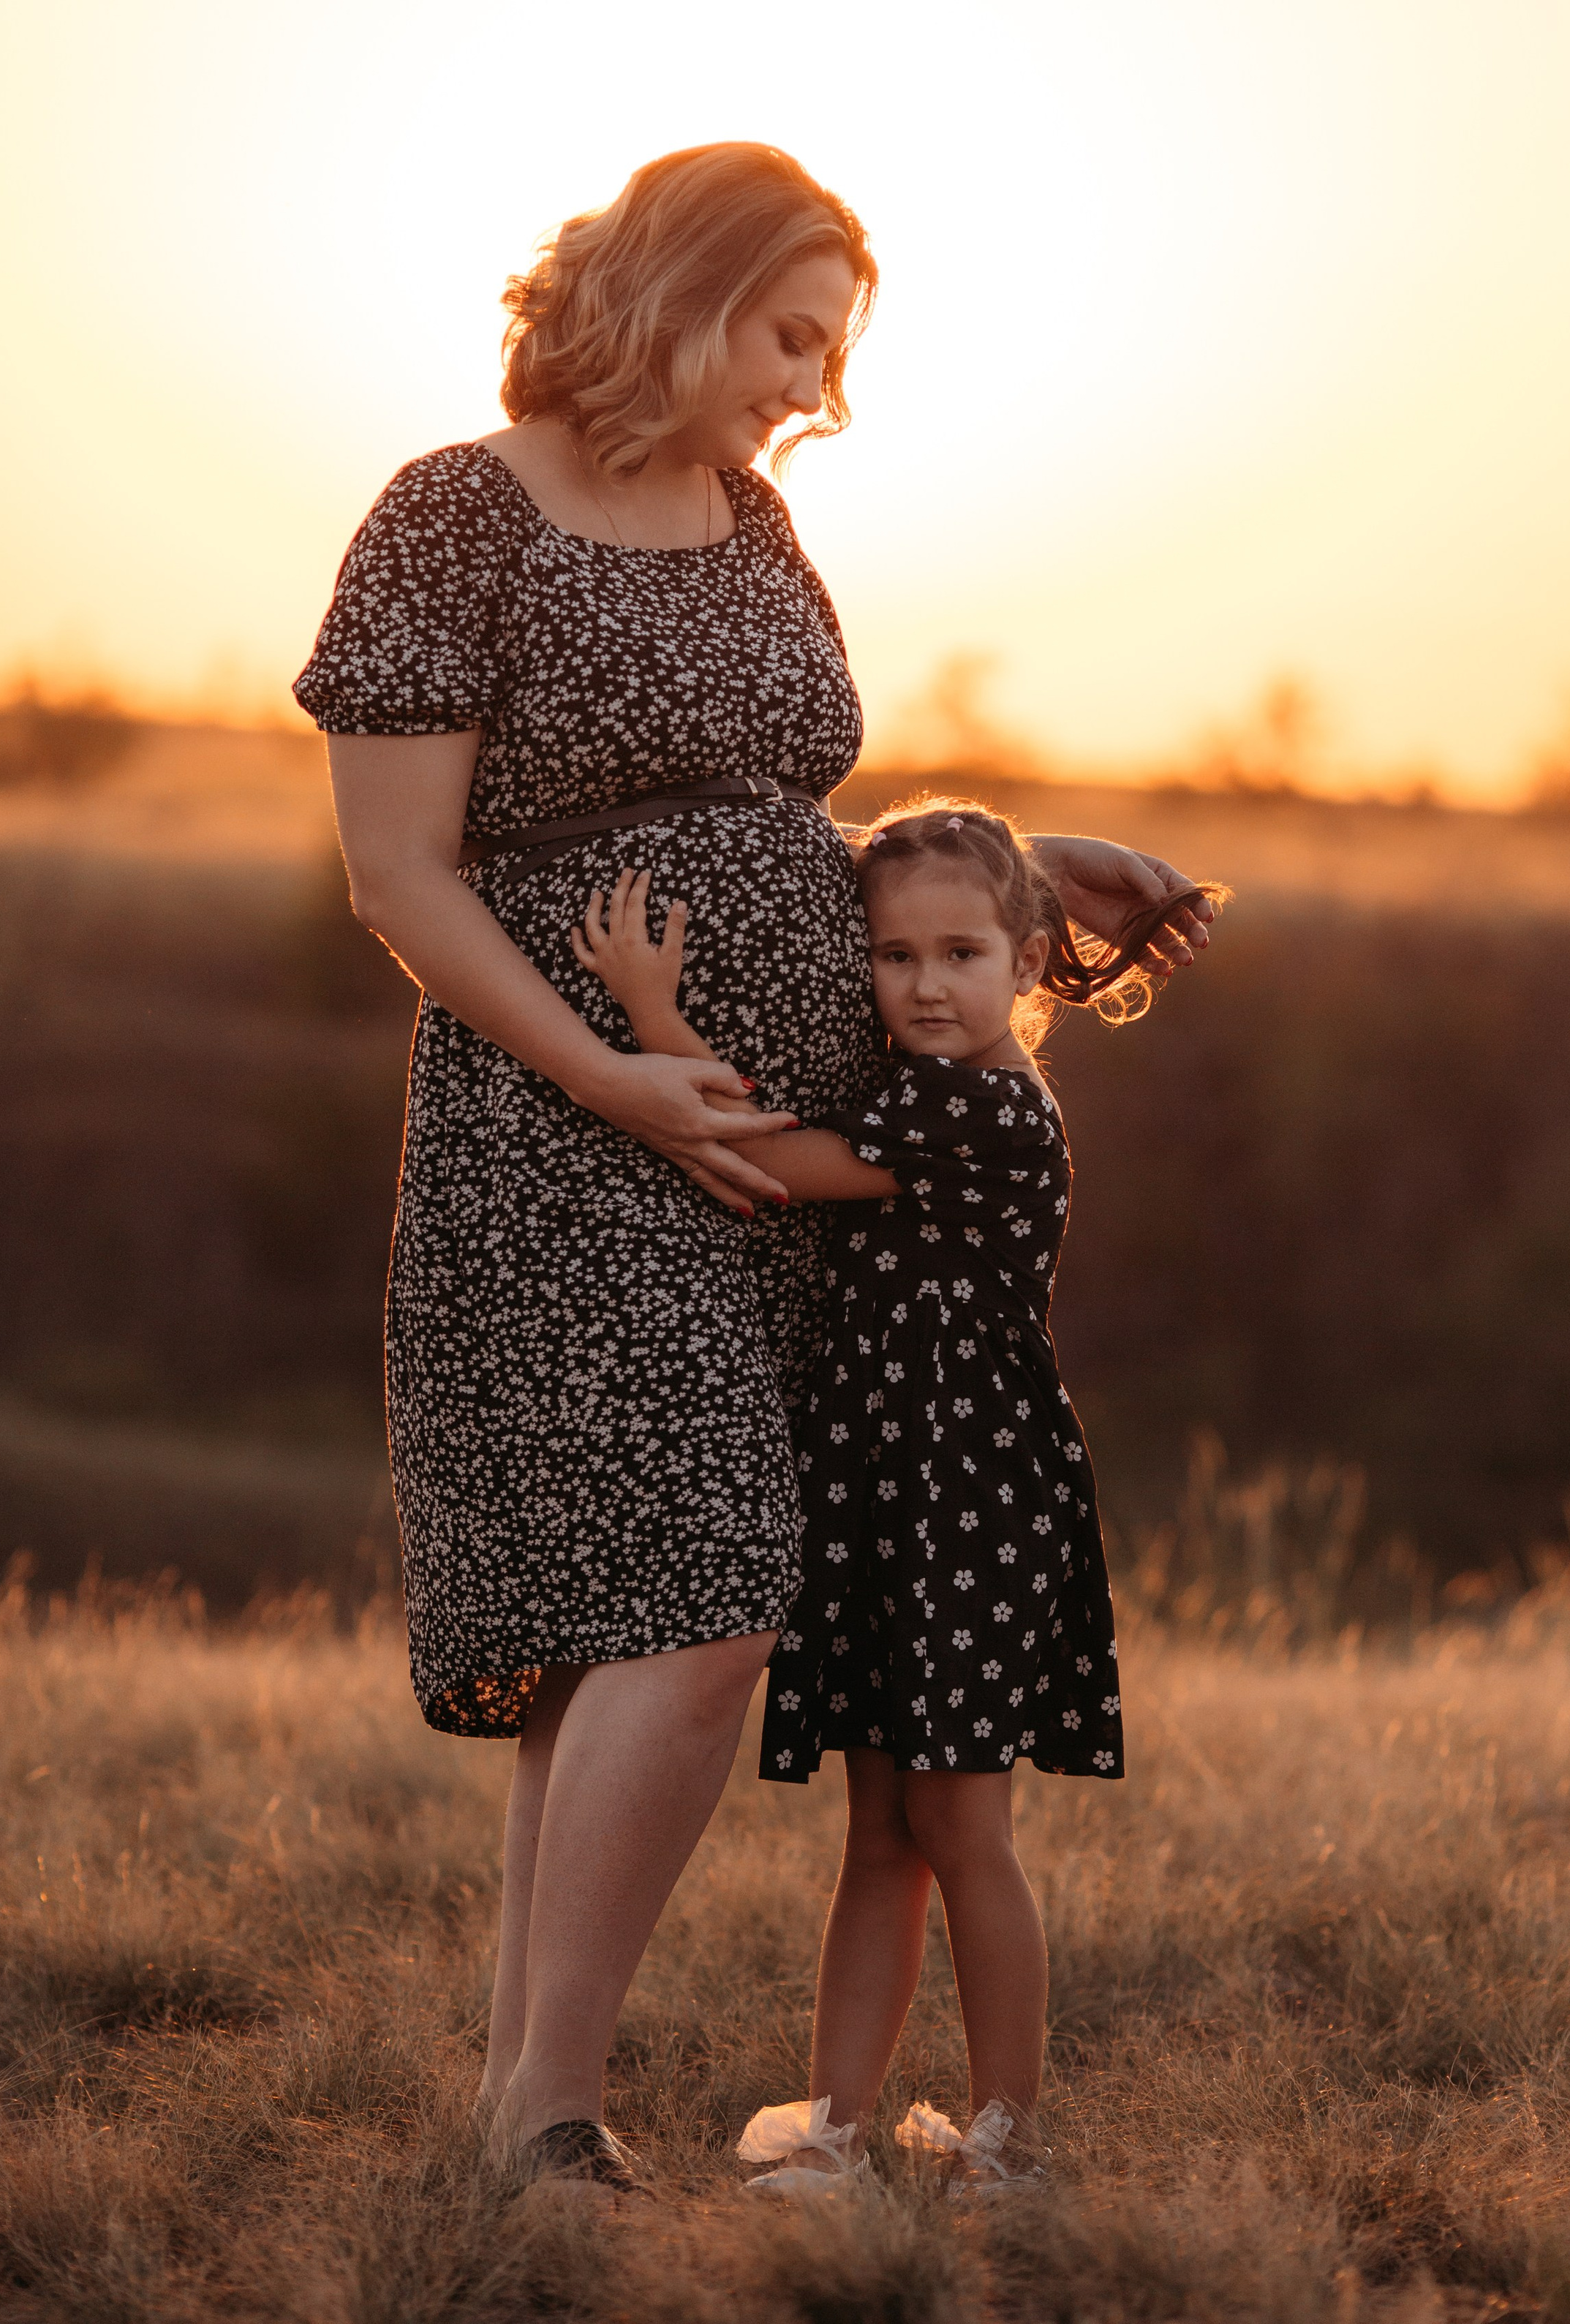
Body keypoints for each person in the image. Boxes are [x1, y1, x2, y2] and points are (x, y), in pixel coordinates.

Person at [291, 141, 1212, 2195]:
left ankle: (517, 2101)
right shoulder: (456, 515)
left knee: (640, 1607)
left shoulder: (749, 515)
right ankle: (548, 2108)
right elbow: (397, 874)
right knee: (703, 1594)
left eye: (838, 348)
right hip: (569, 1137)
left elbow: (794, 819)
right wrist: (613, 1076)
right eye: (797, 334)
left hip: (773, 1147)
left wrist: (1026, 874)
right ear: (682, 290)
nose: (822, 383)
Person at [573, 801, 1215, 2195]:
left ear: (1031, 960)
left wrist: (646, 1017)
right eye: (894, 954)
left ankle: (1009, 2136)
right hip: (886, 1490)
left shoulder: (973, 1105)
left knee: (963, 1828)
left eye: (963, 952)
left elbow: (758, 1159)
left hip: (968, 1493)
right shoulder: (929, 1083)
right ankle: (839, 2133)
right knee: (881, 1833)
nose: (926, 984)